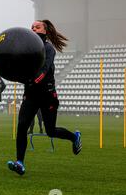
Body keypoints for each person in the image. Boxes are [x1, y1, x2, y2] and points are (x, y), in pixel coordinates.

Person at [7, 20, 82, 176]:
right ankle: (19, 163)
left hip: (47, 95)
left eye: (37, 26)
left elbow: (44, 69)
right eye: (32, 27)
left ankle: (74, 137)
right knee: (22, 127)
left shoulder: (48, 48)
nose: (33, 28)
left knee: (51, 131)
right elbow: (17, 68)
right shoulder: (26, 50)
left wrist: (33, 80)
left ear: (45, 31)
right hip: (31, 96)